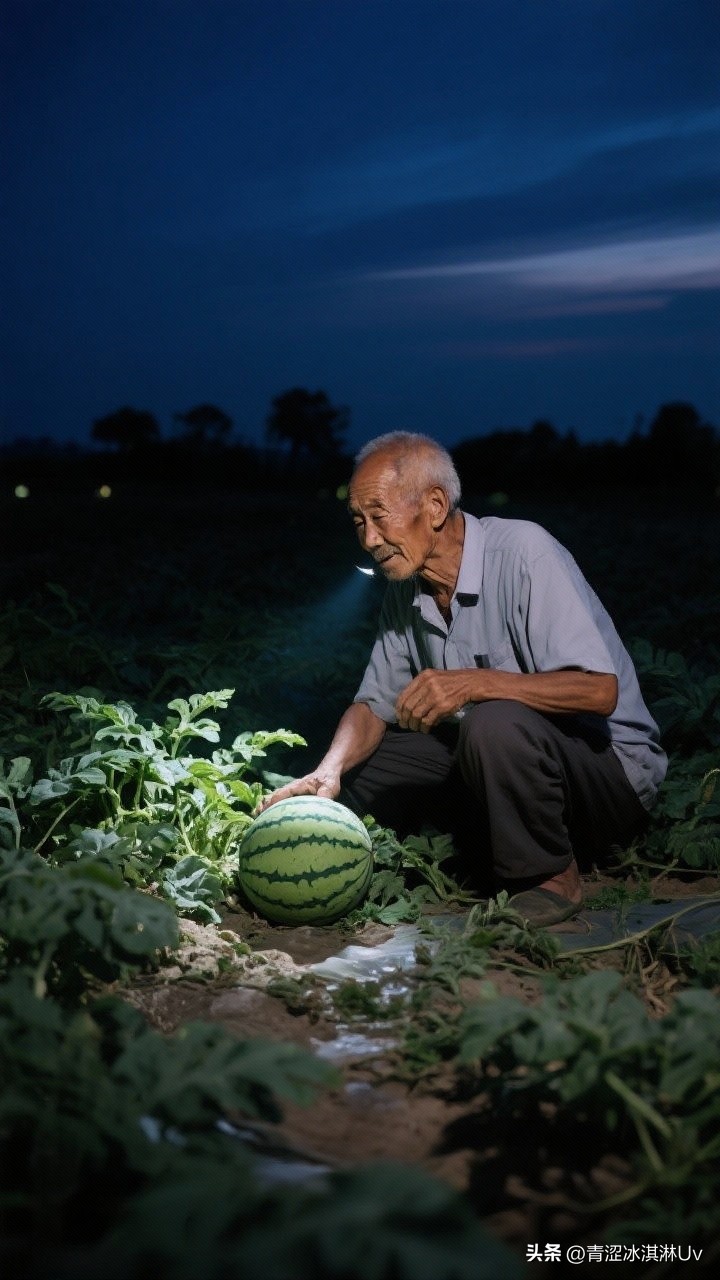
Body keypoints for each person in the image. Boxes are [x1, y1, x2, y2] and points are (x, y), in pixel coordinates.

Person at [262, 432, 667, 926]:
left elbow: (599, 692)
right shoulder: (406, 588)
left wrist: (475, 682)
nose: (369, 539)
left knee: (492, 722)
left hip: (607, 778)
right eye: (358, 522)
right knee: (367, 760)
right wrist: (329, 771)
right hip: (509, 769)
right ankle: (348, 861)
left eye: (379, 515)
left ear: (434, 505)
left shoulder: (523, 552)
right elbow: (371, 705)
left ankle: (550, 878)